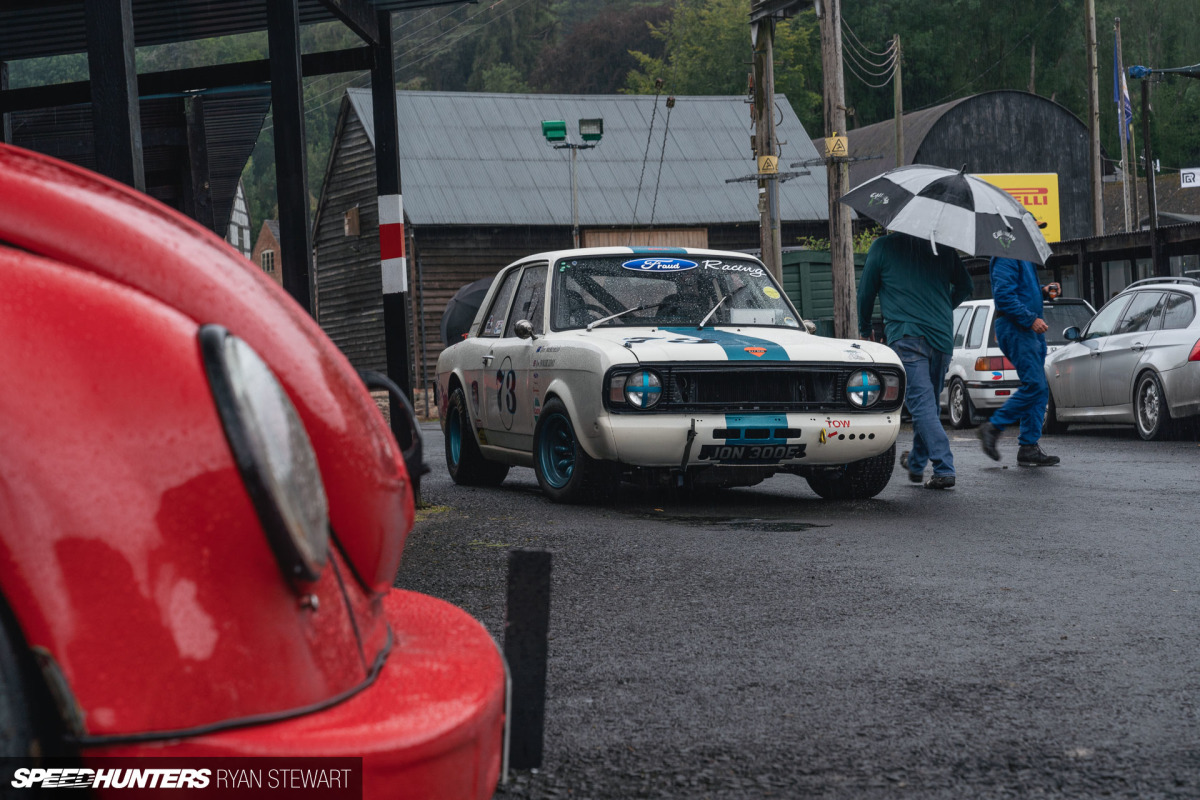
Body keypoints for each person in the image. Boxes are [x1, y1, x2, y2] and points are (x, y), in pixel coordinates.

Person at [858, 231, 973, 489]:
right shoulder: (942, 248)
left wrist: (865, 330)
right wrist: (943, 308)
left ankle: (944, 467)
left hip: (906, 336)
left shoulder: (883, 247)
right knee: (927, 405)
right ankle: (917, 463)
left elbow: (865, 292)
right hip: (941, 338)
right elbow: (966, 286)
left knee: (922, 406)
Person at [976, 255, 1060, 466]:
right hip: (1017, 328)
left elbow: (1021, 290)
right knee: (1035, 385)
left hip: (1027, 330)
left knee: (1039, 388)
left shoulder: (1022, 256)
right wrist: (1030, 319)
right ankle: (993, 427)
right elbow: (1004, 296)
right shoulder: (1006, 254)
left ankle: (1029, 447)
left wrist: (1043, 291)